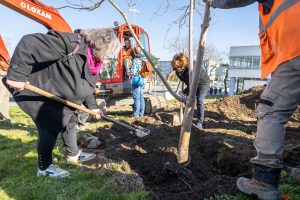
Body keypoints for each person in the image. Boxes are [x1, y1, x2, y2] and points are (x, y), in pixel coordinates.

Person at [207, 0, 300, 199]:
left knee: (271, 111)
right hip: (293, 48)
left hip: (295, 47)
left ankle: (264, 181)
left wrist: (212, 1)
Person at [3, 28, 120, 178]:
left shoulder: (95, 62)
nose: (110, 55)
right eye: (110, 51)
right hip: (41, 92)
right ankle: (44, 167)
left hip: (66, 100)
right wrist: (17, 75)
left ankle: (73, 154)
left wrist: (94, 108)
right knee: (49, 128)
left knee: (70, 122)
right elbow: (29, 42)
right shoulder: (71, 43)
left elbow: (87, 87)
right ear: (102, 45)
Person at [171, 53, 210, 129]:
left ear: (183, 63)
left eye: (179, 67)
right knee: (187, 100)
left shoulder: (192, 67)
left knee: (200, 100)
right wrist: (185, 92)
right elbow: (187, 82)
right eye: (176, 68)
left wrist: (184, 91)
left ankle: (199, 122)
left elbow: (192, 83)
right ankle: (187, 118)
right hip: (191, 84)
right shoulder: (177, 70)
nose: (177, 69)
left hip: (202, 83)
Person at [130, 47, 146, 118]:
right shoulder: (144, 60)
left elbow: (133, 71)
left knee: (136, 98)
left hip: (136, 81)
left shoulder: (135, 60)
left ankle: (136, 114)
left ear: (135, 52)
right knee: (141, 97)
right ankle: (141, 113)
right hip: (143, 80)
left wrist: (130, 74)